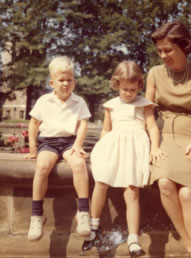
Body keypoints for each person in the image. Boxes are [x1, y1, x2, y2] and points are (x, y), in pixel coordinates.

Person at [145, 21, 191, 258]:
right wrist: (154, 144)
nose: (163, 55)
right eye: (159, 51)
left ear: (184, 46)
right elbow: (147, 112)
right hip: (165, 133)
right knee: (165, 183)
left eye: (167, 50)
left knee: (187, 193)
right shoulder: (155, 74)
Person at [81, 60, 165, 257]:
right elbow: (106, 129)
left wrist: (155, 148)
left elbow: (152, 127)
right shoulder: (111, 105)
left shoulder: (144, 104)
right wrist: (100, 149)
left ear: (139, 86)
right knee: (101, 183)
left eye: (133, 89)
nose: (128, 93)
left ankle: (133, 238)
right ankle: (93, 229)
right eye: (125, 89)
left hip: (135, 149)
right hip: (114, 146)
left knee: (132, 191)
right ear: (116, 84)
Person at [26, 56, 91, 241]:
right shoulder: (44, 101)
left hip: (70, 141)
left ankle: (83, 213)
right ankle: (37, 215)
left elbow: (83, 124)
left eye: (69, 80)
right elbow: (34, 123)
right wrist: (33, 146)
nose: (65, 84)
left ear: (74, 82)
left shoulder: (79, 102)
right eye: (61, 80)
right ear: (52, 82)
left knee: (79, 165)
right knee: (42, 167)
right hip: (49, 141)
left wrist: (78, 144)